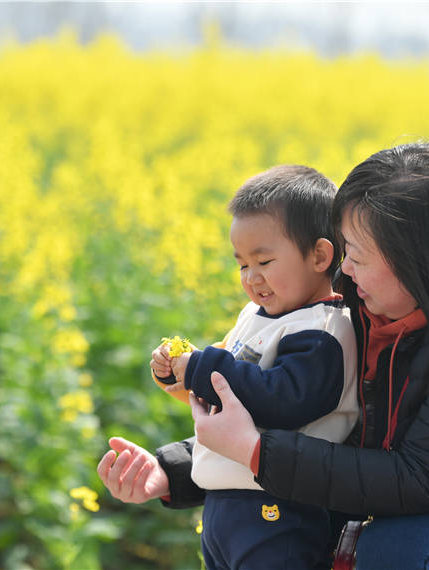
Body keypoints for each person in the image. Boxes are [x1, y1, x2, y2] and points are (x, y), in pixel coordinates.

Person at [98, 142, 429, 570]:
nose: (342, 273)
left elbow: (420, 478)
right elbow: (316, 419)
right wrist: (175, 470)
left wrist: (256, 452)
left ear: (420, 264)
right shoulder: (377, 304)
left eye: (356, 256)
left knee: (404, 550)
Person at [147, 164, 359, 569]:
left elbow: (282, 399)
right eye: (243, 265)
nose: (251, 278)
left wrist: (201, 368)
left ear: (319, 255)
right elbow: (225, 365)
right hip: (225, 504)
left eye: (263, 262)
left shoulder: (325, 331)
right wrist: (176, 368)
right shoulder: (260, 313)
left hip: (279, 510)